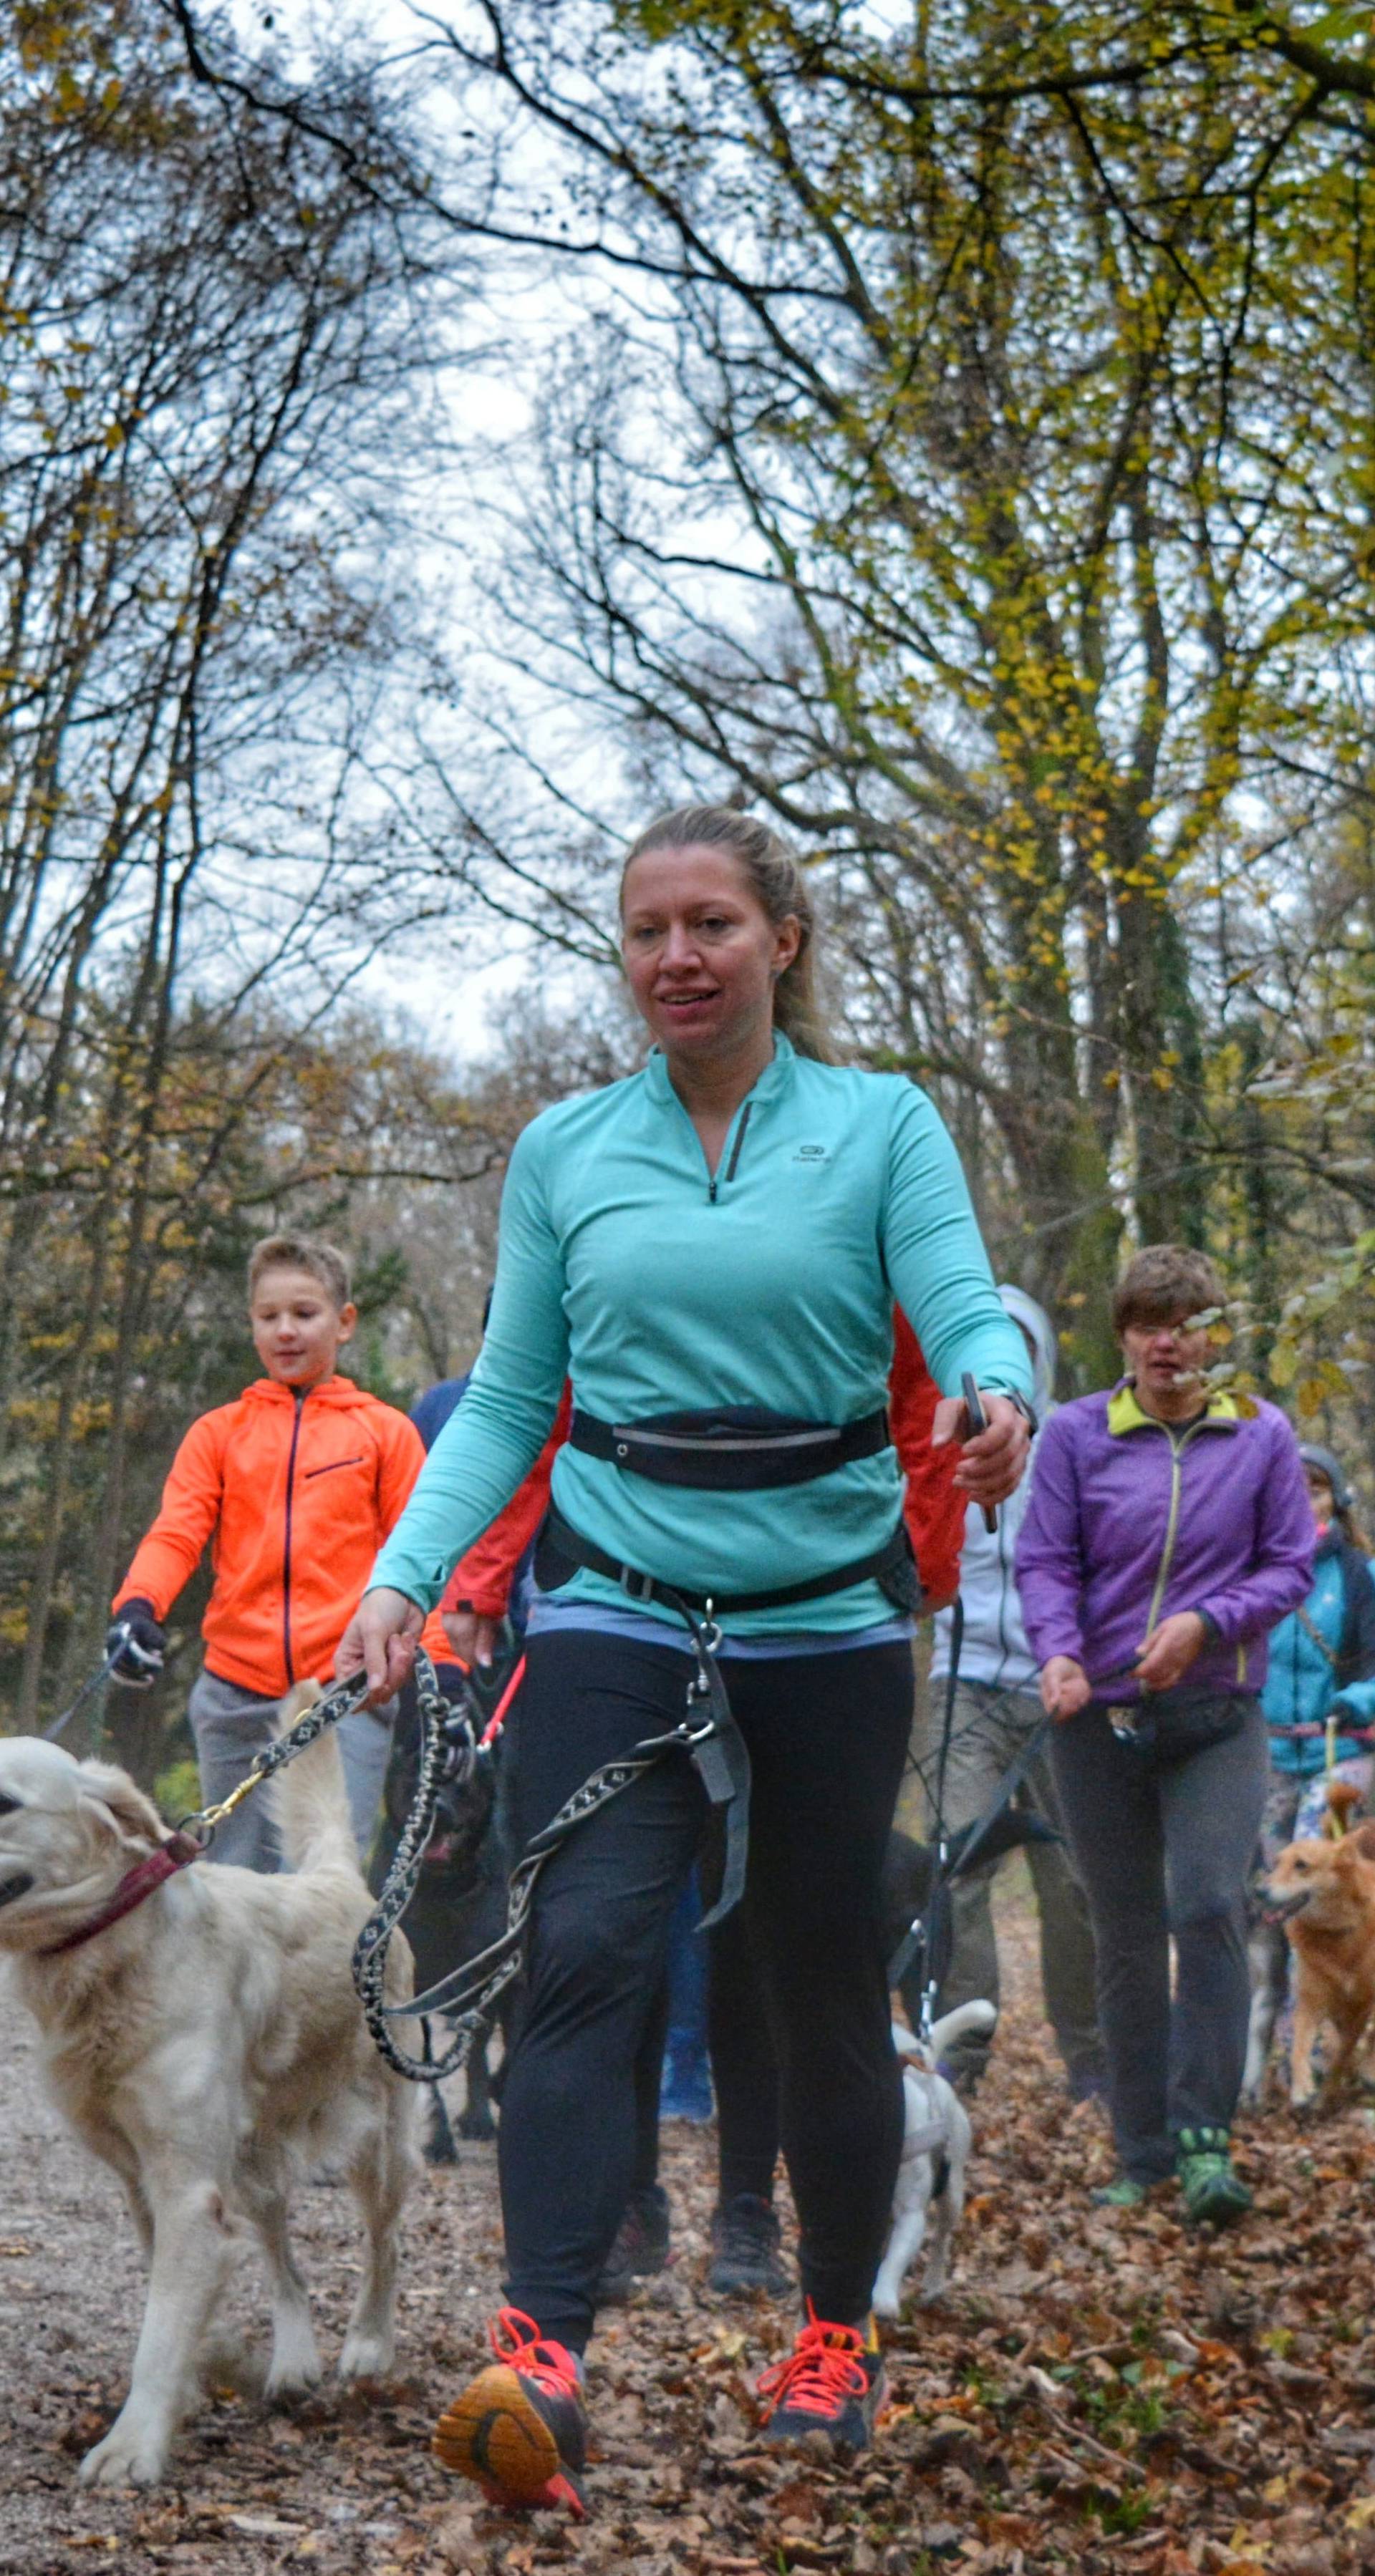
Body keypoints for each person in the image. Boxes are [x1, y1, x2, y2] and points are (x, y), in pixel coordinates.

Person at [337, 802, 1033, 2512]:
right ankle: (542, 2358)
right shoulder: (569, 1151)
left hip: (822, 1616)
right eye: (648, 929)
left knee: (811, 1979)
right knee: (579, 1943)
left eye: (710, 923)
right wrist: (405, 1578)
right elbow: (509, 1399)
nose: (676, 956)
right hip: (620, 1602)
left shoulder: (877, 1126)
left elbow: (952, 1298)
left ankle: (830, 2339)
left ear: (779, 940)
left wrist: (985, 1388)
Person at [441, 1309, 969, 2303]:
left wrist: (923, 1558)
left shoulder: (855, 1179)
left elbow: (918, 1383)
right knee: (599, 1938)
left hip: (813, 1628)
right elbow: (536, 1398)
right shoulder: (600, 1181)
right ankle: (614, 2216)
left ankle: (750, 2213)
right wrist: (477, 1574)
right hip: (617, 1618)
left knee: (767, 1951)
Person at [1015, 1245, 1314, 2225]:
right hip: (1094, 1716)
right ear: (1126, 1336)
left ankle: (1205, 2143)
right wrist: (1058, 1652)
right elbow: (1047, 1559)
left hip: (1217, 1712)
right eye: (1149, 1322)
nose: (1167, 1342)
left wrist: (1205, 1623)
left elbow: (1289, 1568)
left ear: (1212, 1338)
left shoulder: (1261, 1436)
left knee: (1205, 1904)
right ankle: (1139, 2149)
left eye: (1185, 1324)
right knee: (1128, 1934)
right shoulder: (1075, 1433)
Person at [108, 1233, 433, 1869]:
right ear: (252, 1324)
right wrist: (137, 1607)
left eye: (305, 1314)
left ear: (343, 1324)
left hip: (347, 1691)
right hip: (235, 1692)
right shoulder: (218, 1434)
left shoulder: (386, 1432)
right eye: (269, 1316)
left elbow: (422, 1558)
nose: (286, 1330)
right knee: (230, 1884)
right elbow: (177, 1531)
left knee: (325, 1880)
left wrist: (438, 1671)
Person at [926, 1286, 1104, 2099]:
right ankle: (961, 2052)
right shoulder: (933, 1436)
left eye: (1019, 1343)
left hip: (1063, 1681)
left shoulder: (1077, 1442)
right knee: (955, 1865)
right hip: (964, 1685)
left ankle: (1092, 2057)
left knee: (1074, 1878)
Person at [1247, 1443, 1375, 2085]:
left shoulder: (1358, 1575)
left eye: (1317, 1489)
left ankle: (1340, 2042)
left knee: (1326, 1883)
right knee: (1273, 1903)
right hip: (1264, 1753)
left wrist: (1356, 1700)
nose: (1305, 1502)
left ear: (1337, 1499)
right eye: (1291, 1489)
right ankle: (1270, 2047)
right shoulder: (1250, 1569)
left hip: (1339, 1751)